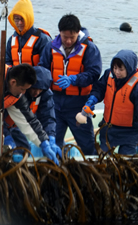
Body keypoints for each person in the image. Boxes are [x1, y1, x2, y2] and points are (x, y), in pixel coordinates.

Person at [39, 14, 102, 155]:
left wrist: (74, 79)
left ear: (78, 33)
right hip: (54, 102)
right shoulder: (50, 47)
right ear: (59, 32)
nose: (68, 41)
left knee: (87, 145)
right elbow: (42, 69)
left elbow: (94, 73)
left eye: (72, 37)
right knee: (53, 142)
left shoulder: (89, 48)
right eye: (64, 36)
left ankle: (90, 173)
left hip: (78, 105)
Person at [81, 49, 138, 155]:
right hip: (108, 129)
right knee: (102, 159)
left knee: (125, 162)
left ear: (129, 68)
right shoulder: (109, 75)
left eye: (121, 69)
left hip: (129, 133)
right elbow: (99, 89)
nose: (116, 72)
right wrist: (92, 99)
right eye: (115, 68)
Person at [2, 66, 61, 157]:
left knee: (25, 150)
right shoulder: (17, 92)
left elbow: (48, 118)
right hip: (2, 125)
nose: (36, 92)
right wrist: (6, 136)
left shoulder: (45, 94)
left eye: (40, 89)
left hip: (19, 126)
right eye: (34, 88)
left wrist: (50, 138)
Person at [6, 0, 52, 66]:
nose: (19, 22)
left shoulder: (43, 39)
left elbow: (46, 67)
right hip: (14, 76)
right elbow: (7, 63)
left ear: (29, 18)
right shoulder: (11, 40)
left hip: (36, 76)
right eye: (16, 19)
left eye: (22, 19)